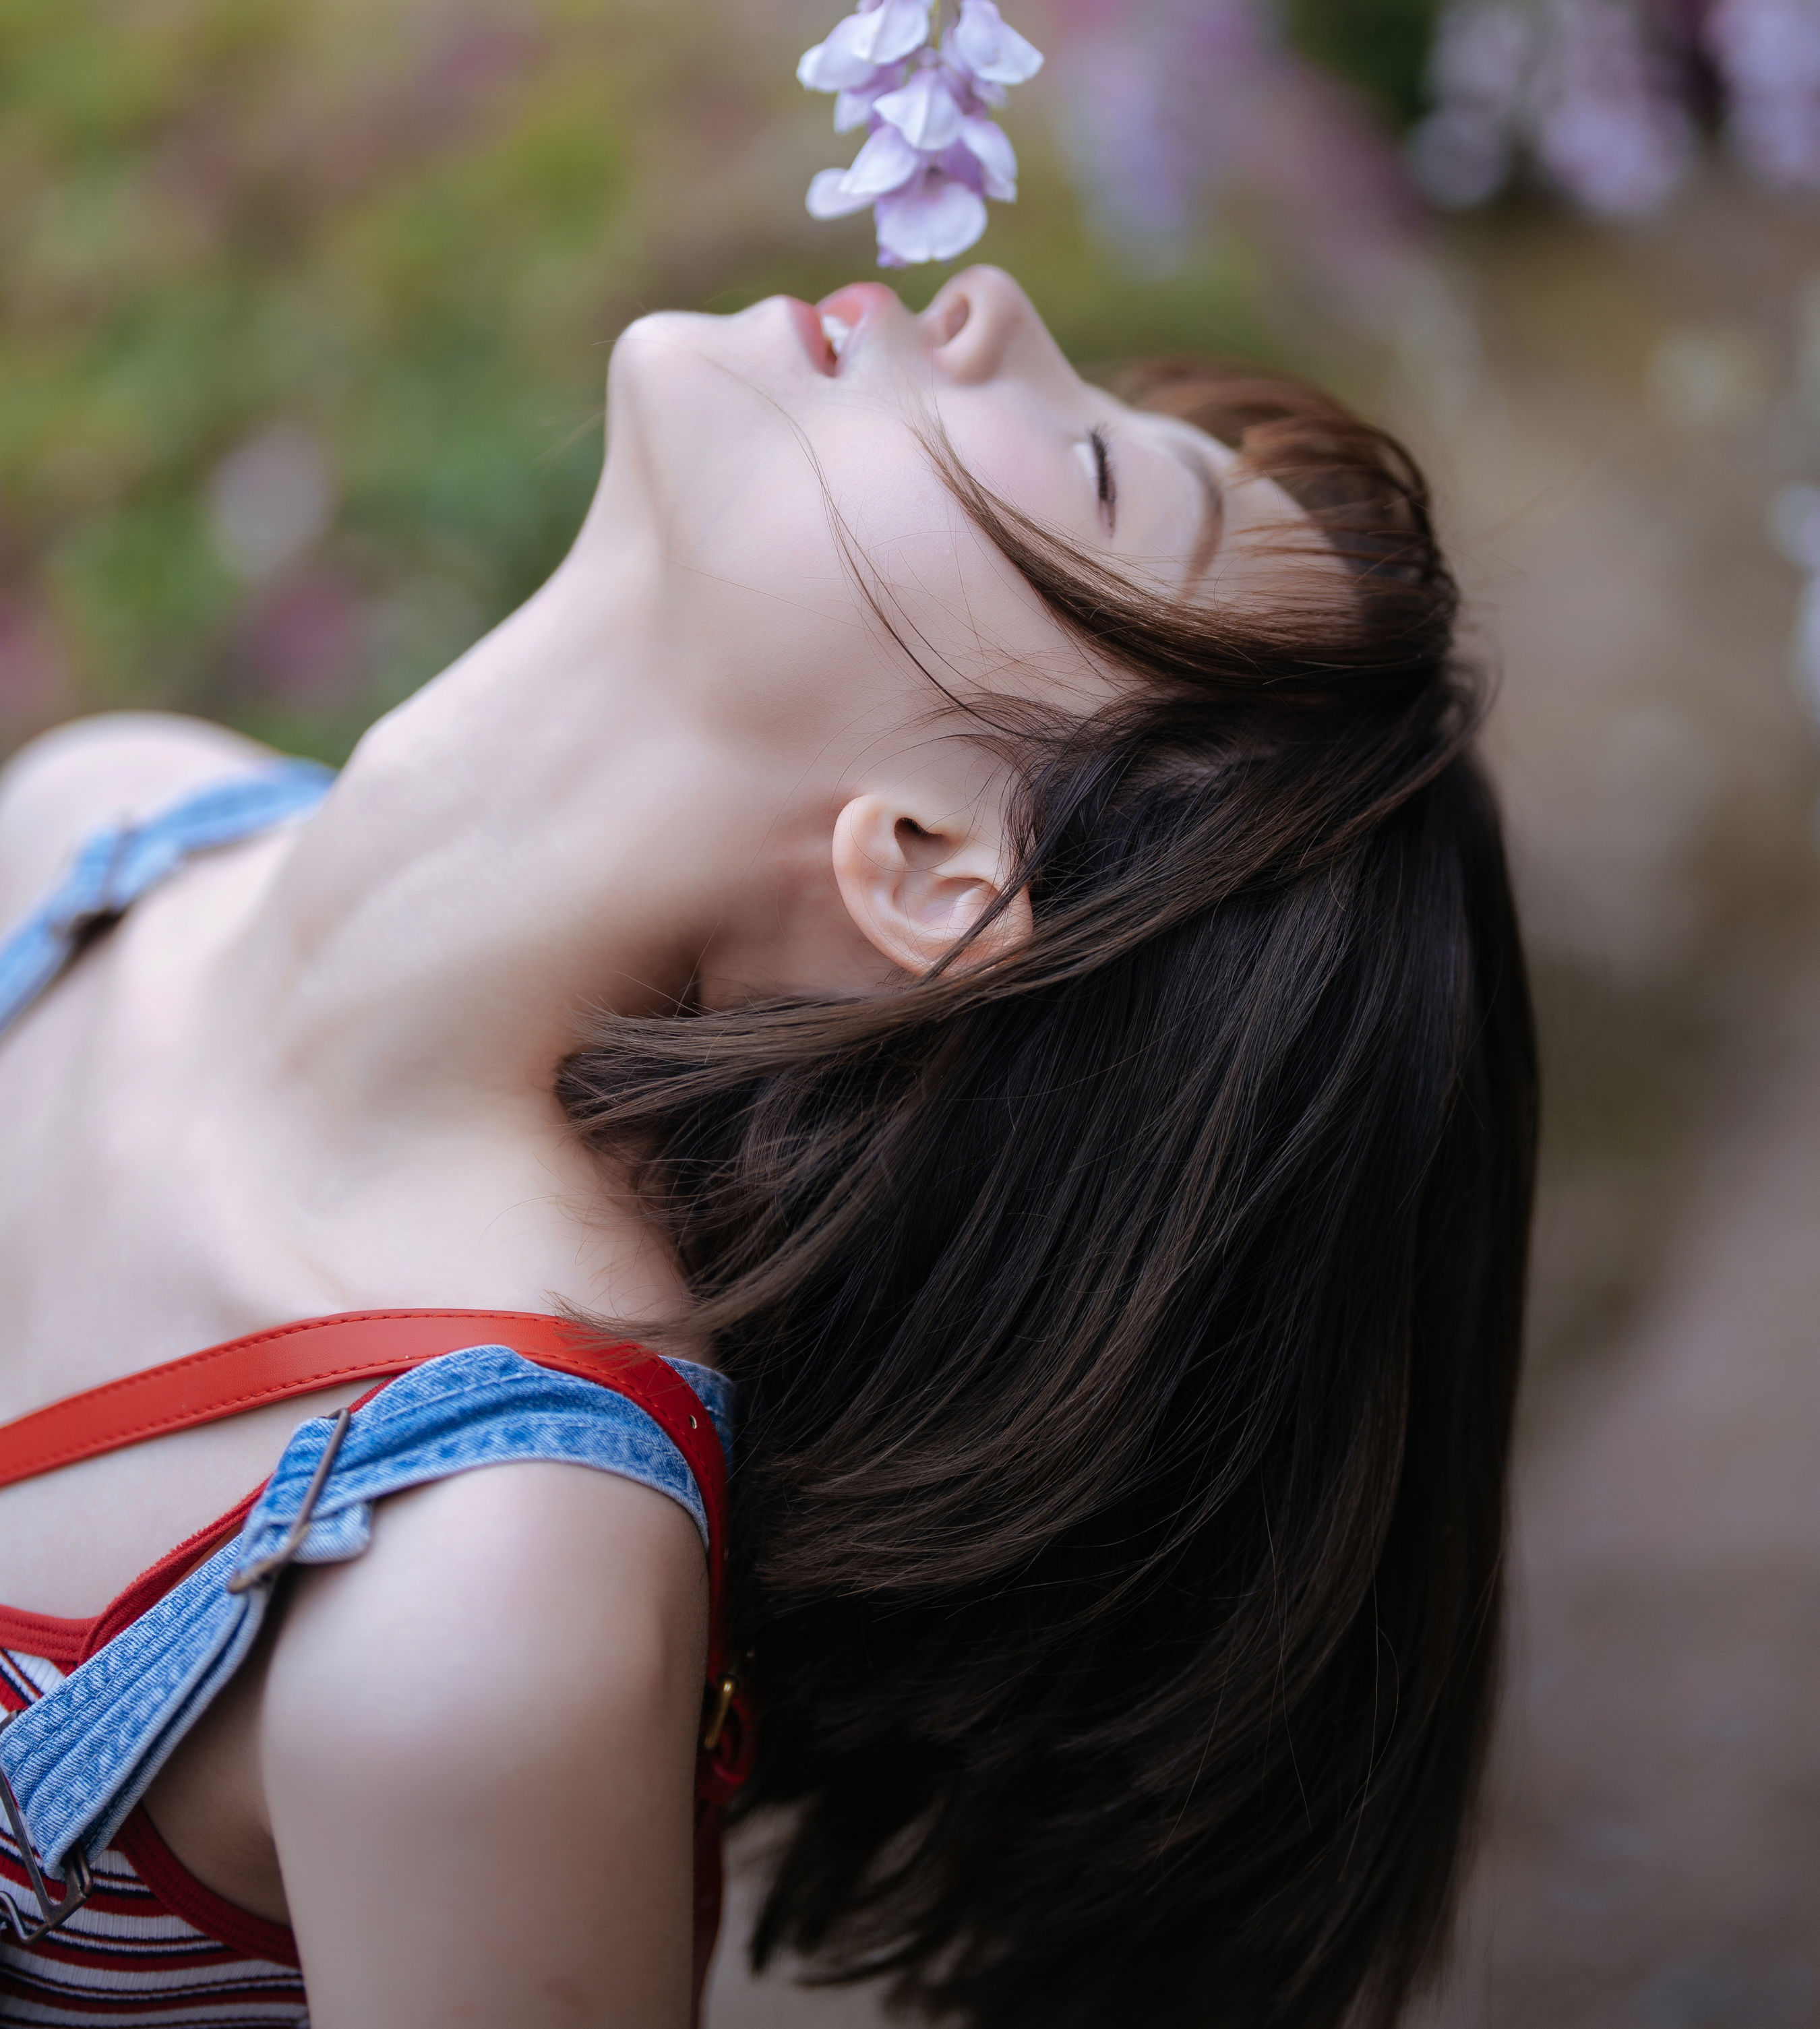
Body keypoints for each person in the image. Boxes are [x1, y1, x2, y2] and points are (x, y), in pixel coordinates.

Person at [0, 266, 1536, 2029]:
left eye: (1104, 473)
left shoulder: (476, 1586)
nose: (991, 299)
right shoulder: (92, 833)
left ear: (935, 860)